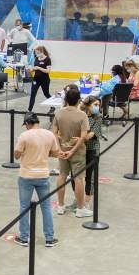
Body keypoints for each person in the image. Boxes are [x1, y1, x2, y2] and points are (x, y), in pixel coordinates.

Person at [14, 113, 63, 247]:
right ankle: (49, 238)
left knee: (24, 206)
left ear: (28, 123)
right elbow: (55, 153)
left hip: (26, 175)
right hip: (43, 175)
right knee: (46, 207)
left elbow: (17, 155)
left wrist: (26, 152)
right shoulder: (49, 135)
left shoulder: (24, 136)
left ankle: (24, 237)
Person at [52, 88, 91, 218]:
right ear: (79, 100)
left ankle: (61, 206)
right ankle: (80, 209)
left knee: (62, 176)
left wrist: (60, 150)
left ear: (66, 100)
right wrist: (73, 151)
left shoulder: (58, 113)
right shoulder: (82, 115)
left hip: (62, 150)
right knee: (79, 178)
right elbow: (83, 136)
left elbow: (54, 133)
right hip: (77, 152)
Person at [26, 45, 52, 111]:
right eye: (35, 53)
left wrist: (39, 68)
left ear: (41, 52)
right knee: (33, 94)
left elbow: (48, 71)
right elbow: (35, 68)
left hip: (45, 80)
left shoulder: (47, 59)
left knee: (46, 94)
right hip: (36, 79)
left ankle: (52, 105)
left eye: (37, 53)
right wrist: (31, 69)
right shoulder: (36, 59)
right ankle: (29, 110)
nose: (36, 54)